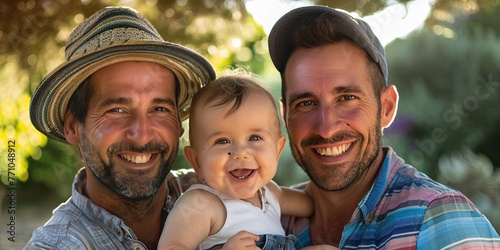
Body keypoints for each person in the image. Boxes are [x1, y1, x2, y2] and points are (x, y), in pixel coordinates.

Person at [267, 5, 500, 249]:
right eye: (305, 103)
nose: (326, 128)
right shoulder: (269, 219)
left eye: (347, 98)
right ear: (285, 115)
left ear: (386, 108)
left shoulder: (440, 222)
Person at [24, 6, 215, 250]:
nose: (142, 134)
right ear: (72, 127)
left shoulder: (224, 189)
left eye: (160, 109)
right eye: (117, 110)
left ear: (179, 122)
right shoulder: (58, 246)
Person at [157, 73, 336, 250]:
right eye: (222, 141)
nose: (240, 153)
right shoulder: (201, 203)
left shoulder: (271, 193)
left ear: (277, 150)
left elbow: (313, 204)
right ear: (196, 162)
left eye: (255, 137)